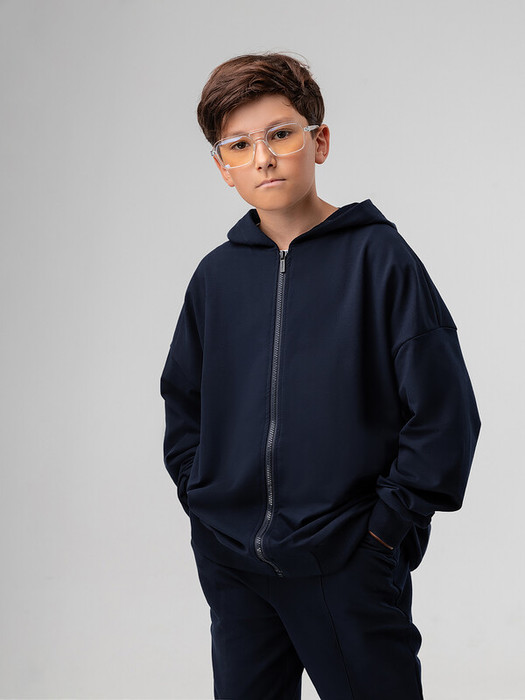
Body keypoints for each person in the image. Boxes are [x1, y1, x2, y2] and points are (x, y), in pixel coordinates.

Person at [160, 51, 481, 700]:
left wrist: (384, 530)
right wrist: (205, 504)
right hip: (234, 564)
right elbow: (184, 402)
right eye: (240, 145)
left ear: (319, 141)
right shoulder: (216, 278)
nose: (263, 158)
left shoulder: (379, 259)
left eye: (280, 134)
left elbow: (444, 414)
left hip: (347, 560)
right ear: (223, 167)